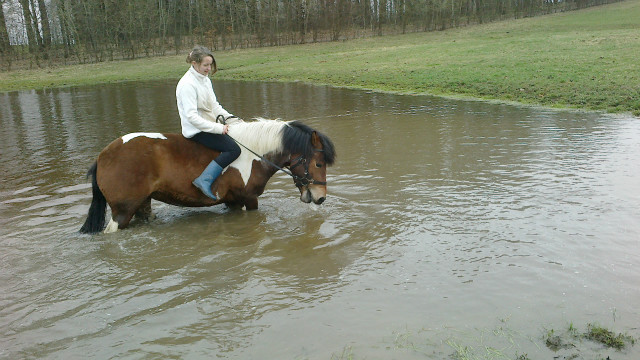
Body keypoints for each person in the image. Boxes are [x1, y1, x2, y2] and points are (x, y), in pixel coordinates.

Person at [176, 45, 242, 200]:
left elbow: (215, 106)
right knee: (233, 150)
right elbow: (192, 117)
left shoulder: (204, 79)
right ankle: (204, 179)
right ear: (194, 63)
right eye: (205, 65)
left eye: (210, 64)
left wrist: (233, 119)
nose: (208, 68)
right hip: (196, 130)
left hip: (208, 124)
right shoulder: (187, 85)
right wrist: (218, 128)